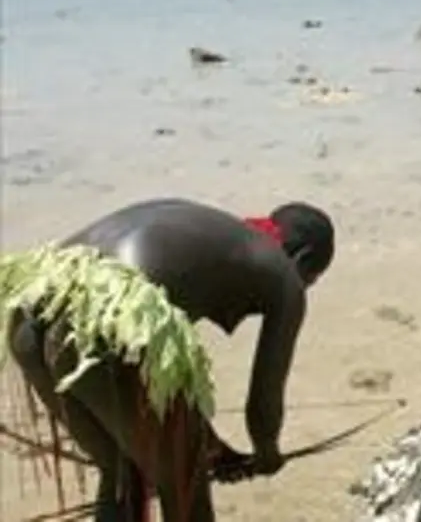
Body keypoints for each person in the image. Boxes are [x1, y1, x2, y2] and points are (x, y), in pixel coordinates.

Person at [5, 198, 335, 521]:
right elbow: (263, 407)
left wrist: (211, 444)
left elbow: (169, 380)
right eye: (310, 280)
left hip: (34, 310)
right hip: (106, 320)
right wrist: (267, 455)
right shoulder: (283, 275)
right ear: (303, 258)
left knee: (123, 469)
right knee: (184, 481)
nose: (303, 288)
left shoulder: (214, 239)